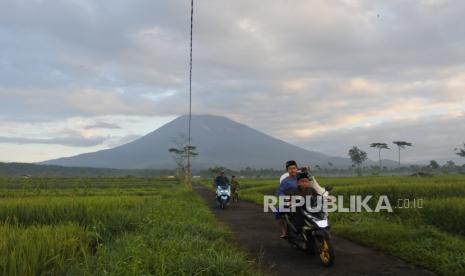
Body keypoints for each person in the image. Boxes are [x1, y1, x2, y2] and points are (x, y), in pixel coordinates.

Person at [275, 160, 299, 239]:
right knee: (278, 212)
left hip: (305, 200)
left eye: (294, 168)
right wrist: (286, 200)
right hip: (291, 201)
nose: (292, 170)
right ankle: (284, 230)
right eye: (290, 168)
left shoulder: (302, 178)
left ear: (297, 169)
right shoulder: (285, 181)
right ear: (287, 170)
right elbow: (280, 192)